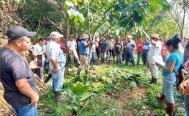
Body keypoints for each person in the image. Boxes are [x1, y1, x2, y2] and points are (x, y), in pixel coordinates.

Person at [0, 26, 39, 115]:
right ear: (18, 42)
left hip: (12, 97)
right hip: (24, 101)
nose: (30, 44)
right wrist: (34, 95)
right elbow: (22, 85)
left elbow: (9, 71)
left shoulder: (2, 52)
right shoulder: (15, 59)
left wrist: (27, 67)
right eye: (28, 42)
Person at [156, 35, 182, 115]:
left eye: (167, 47)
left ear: (171, 46)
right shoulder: (178, 53)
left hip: (169, 76)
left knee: (169, 92)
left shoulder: (173, 56)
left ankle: (170, 109)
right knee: (164, 87)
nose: (166, 48)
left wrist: (159, 65)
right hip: (171, 75)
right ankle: (162, 97)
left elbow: (169, 69)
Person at [46, 31, 66, 102]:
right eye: (60, 37)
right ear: (57, 38)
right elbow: (53, 58)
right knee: (59, 82)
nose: (60, 38)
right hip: (57, 67)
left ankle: (54, 96)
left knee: (55, 81)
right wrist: (55, 67)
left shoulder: (49, 44)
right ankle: (58, 100)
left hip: (54, 66)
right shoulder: (54, 46)